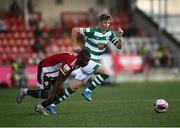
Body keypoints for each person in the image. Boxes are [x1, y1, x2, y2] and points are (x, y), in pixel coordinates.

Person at [49, 13, 123, 113]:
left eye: (109, 23)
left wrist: (119, 37)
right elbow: (74, 30)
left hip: (92, 64)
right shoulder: (92, 31)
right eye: (105, 22)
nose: (107, 24)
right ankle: (88, 91)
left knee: (73, 88)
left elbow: (119, 46)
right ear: (100, 22)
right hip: (87, 61)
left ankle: (51, 104)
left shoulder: (110, 34)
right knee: (107, 72)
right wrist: (74, 45)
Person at [16, 49, 91, 115]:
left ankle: (40, 107)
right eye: (86, 60)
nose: (87, 63)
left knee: (61, 93)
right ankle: (25, 91)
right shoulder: (69, 63)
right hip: (46, 68)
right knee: (46, 94)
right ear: (81, 58)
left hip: (55, 72)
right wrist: (52, 94)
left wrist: (61, 84)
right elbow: (58, 79)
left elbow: (65, 74)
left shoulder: (78, 62)